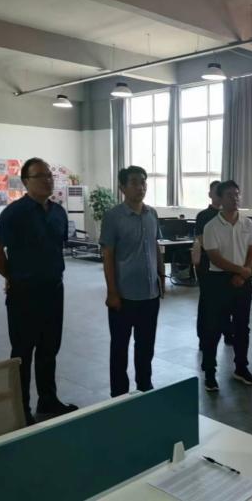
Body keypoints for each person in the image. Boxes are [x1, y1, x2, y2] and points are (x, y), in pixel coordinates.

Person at [0, 157, 78, 425]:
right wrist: (11, 276)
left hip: (53, 291)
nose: (48, 179)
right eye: (41, 176)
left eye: (49, 175)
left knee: (49, 348)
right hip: (24, 294)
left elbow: (56, 248)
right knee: (23, 353)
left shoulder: (59, 212)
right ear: (26, 182)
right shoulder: (14, 213)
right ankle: (21, 408)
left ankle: (48, 400)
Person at [99, 166, 165, 397]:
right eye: (135, 182)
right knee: (120, 346)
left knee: (146, 345)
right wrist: (112, 292)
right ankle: (118, 394)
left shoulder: (151, 214)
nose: (141, 187)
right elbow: (108, 255)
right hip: (124, 295)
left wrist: (161, 277)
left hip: (150, 294)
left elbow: (155, 246)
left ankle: (145, 386)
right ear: (122, 187)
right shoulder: (113, 217)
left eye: (143, 182)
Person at [201, 180, 252, 391]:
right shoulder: (211, 226)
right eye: (229, 195)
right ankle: (210, 372)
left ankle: (241, 368)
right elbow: (214, 257)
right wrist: (240, 270)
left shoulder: (247, 223)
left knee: (242, 327)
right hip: (219, 281)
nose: (235, 199)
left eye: (237, 194)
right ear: (220, 198)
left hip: (243, 280)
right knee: (214, 328)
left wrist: (245, 271)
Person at [193, 180, 234, 349]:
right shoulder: (204, 216)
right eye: (216, 191)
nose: (218, 194)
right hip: (207, 265)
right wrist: (217, 255)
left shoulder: (229, 215)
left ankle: (228, 333)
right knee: (207, 302)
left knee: (227, 300)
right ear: (210, 194)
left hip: (228, 265)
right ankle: (204, 337)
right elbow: (202, 240)